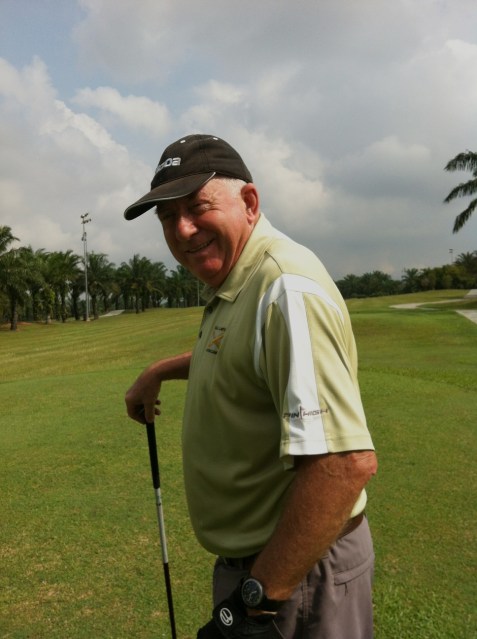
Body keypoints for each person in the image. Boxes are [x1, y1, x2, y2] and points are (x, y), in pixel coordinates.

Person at [124, 134, 378, 639]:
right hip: (272, 570)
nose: (183, 229)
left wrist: (256, 602)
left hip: (296, 572)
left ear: (250, 202)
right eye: (168, 217)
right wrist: (159, 371)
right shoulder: (240, 279)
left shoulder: (284, 288)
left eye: (197, 207)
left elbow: (344, 464)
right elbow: (238, 356)